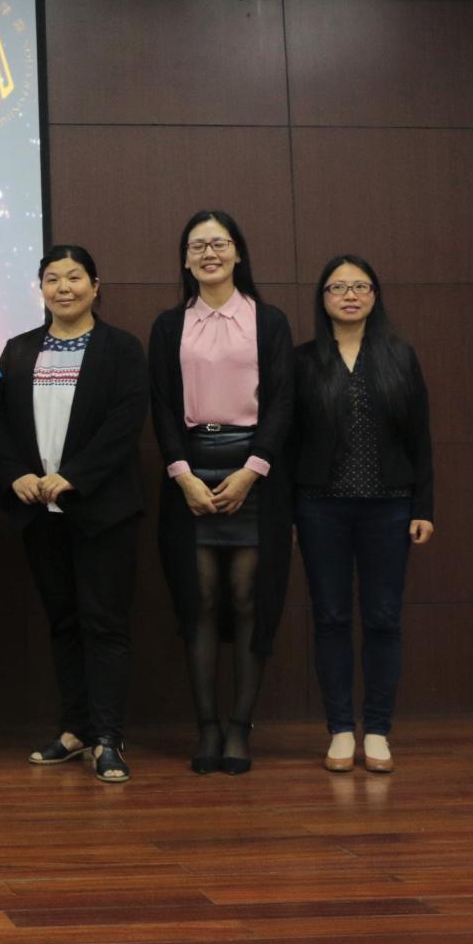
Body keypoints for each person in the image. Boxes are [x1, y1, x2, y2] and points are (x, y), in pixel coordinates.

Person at [0, 244, 148, 784]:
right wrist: (16, 473)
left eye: (75, 277)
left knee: (105, 624)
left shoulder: (121, 349)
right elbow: (1, 421)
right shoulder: (19, 349)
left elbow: (125, 423)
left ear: (95, 286)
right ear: (41, 289)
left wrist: (75, 475)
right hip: (39, 512)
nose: (64, 288)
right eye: (52, 278)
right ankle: (75, 729)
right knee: (63, 622)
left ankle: (108, 737)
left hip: (101, 510)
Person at [149, 209, 294, 776]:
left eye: (219, 243)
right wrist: (181, 474)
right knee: (200, 599)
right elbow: (161, 405)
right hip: (189, 466)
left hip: (254, 470)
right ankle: (207, 726)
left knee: (247, 598)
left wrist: (253, 469)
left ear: (238, 253)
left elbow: (282, 401)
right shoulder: (169, 325)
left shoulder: (269, 320)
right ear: (185, 260)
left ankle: (239, 727)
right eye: (198, 246)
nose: (209, 253)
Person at [292, 255, 434, 774]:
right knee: (330, 617)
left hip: (390, 506)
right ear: (323, 298)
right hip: (319, 507)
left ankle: (376, 729)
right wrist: (288, 514)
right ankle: (339, 730)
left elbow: (420, 437)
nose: (349, 295)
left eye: (360, 286)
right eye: (338, 287)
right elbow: (288, 441)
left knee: (382, 618)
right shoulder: (303, 360)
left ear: (375, 295)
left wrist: (423, 507)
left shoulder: (400, 356)